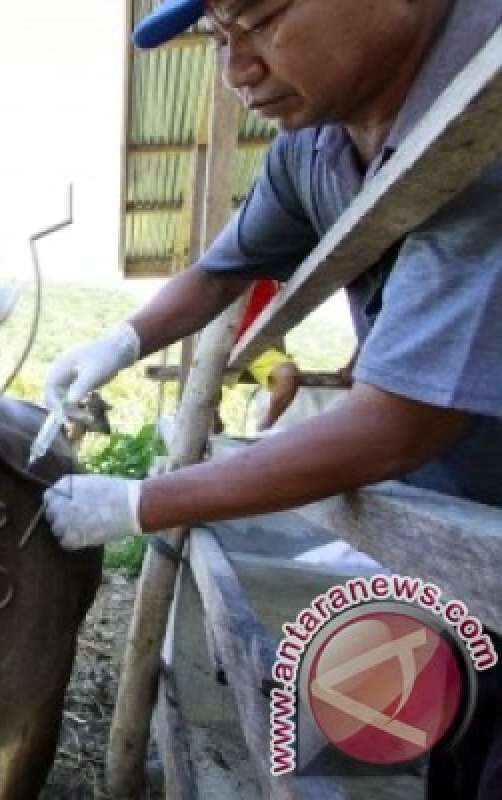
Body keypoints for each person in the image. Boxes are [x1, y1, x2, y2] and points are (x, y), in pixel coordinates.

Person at [41, 0, 502, 795]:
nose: (235, 70)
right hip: (462, 527)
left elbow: (396, 426)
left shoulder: (482, 112)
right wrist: (118, 343)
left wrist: (145, 501)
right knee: (461, 735)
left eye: (258, 18)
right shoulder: (319, 143)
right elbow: (224, 268)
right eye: (220, 37)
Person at [235, 279, 301, 432]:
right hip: (218, 346)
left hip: (259, 347)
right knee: (206, 410)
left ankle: (263, 429)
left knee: (288, 376)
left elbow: (278, 319)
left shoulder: (274, 274)